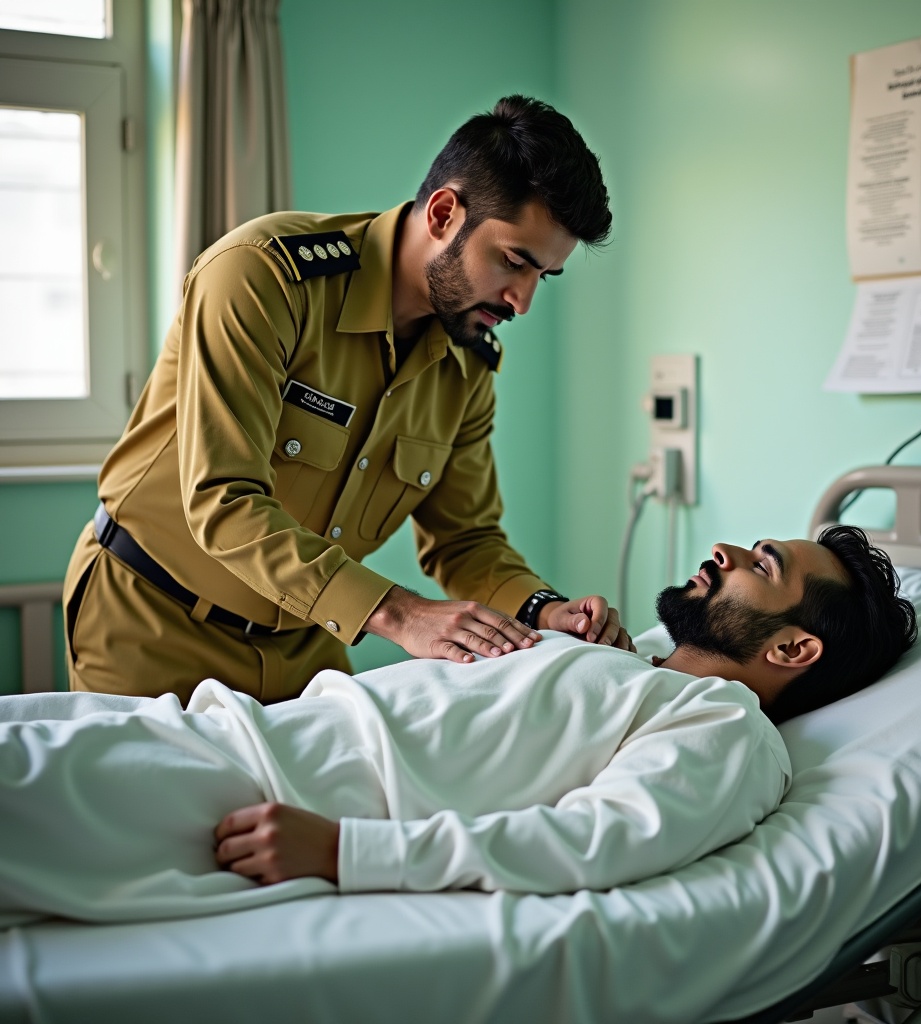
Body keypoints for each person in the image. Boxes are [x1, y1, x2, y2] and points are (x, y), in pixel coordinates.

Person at [1, 526, 916, 925]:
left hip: (256, 796)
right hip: (220, 727)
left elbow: (591, 841)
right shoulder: (630, 667)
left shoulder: (727, 728)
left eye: (761, 563)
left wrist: (344, 853)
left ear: (794, 651)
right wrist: (563, 644)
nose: (723, 550)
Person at [62, 95, 627, 706]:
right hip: (153, 621)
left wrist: (545, 609)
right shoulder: (263, 277)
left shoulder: (468, 358)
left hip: (308, 643)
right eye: (514, 261)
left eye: (543, 275)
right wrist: (401, 615)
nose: (522, 301)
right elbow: (223, 501)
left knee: (310, 808)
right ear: (443, 213)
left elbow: (464, 539)